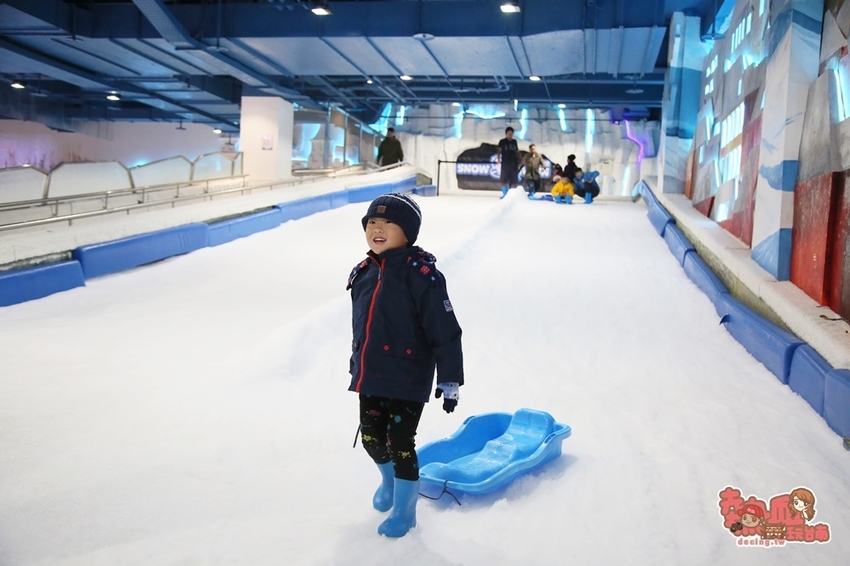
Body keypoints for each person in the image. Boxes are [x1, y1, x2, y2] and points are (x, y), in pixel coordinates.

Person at [346, 193, 464, 538]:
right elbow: (362, 326)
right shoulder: (364, 272)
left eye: (387, 224)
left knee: (399, 442)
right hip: (372, 374)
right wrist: (357, 362)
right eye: (371, 223)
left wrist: (450, 379)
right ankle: (389, 482)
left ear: (408, 232)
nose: (377, 229)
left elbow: (445, 331)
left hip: (408, 376)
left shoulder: (422, 275)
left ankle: (405, 510)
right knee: (371, 439)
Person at [496, 126, 521, 198]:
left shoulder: (514, 142)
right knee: (504, 180)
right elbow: (499, 151)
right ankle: (505, 194)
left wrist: (521, 159)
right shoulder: (502, 141)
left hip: (514, 164)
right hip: (505, 164)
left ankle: (511, 195)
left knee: (514, 181)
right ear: (506, 133)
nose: (510, 134)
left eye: (511, 133)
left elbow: (517, 151)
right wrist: (498, 159)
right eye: (508, 133)